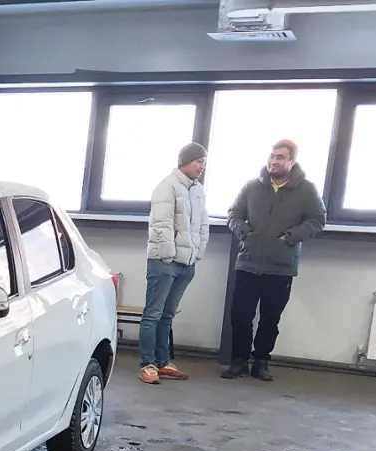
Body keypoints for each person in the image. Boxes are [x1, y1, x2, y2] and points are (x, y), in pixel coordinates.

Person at [224, 139, 325, 381]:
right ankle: (239, 361)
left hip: (281, 266)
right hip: (248, 262)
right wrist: (245, 233)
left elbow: (318, 219)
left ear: (292, 161)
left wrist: (290, 237)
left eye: (280, 157)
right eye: (272, 156)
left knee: (270, 319)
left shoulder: (307, 190)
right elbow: (233, 214)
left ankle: (261, 362)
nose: (273, 161)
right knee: (240, 316)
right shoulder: (251, 187)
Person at [139, 142, 209, 385]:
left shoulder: (198, 190)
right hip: (164, 262)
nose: (202, 166)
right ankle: (147, 364)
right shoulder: (166, 186)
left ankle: (163, 362)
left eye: (204, 162)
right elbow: (161, 224)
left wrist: (197, 252)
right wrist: (168, 255)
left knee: (167, 315)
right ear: (185, 162)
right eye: (199, 161)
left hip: (186, 263)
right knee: (153, 314)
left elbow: (202, 224)